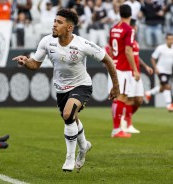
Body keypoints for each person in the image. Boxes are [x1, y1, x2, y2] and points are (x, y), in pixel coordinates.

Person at [13, 9, 120, 172]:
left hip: (82, 85)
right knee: (71, 119)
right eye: (54, 21)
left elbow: (108, 60)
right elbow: (34, 65)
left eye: (59, 22)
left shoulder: (83, 44)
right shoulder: (47, 41)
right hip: (61, 89)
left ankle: (69, 157)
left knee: (68, 114)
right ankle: (84, 146)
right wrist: (25, 62)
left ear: (69, 28)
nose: (54, 25)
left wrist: (116, 86)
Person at [108, 4, 140, 138]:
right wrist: (135, 70)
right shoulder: (129, 29)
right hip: (124, 68)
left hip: (114, 65)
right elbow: (128, 50)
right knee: (122, 97)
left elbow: (110, 48)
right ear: (131, 14)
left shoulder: (113, 28)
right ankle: (117, 130)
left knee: (118, 98)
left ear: (119, 13)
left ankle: (117, 128)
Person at [121, 19, 153, 133]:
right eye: (135, 27)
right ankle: (127, 124)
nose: (136, 29)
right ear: (133, 28)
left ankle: (124, 118)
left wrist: (146, 66)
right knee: (129, 99)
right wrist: (133, 70)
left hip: (137, 72)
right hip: (129, 73)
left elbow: (136, 57)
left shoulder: (134, 42)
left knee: (139, 100)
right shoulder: (126, 40)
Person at [144, 33, 173, 112]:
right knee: (167, 86)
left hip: (169, 71)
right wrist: (155, 68)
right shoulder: (161, 48)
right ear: (166, 40)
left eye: (172, 39)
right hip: (161, 70)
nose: (171, 41)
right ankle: (169, 105)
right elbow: (153, 58)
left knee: (162, 87)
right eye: (169, 39)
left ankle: (149, 93)